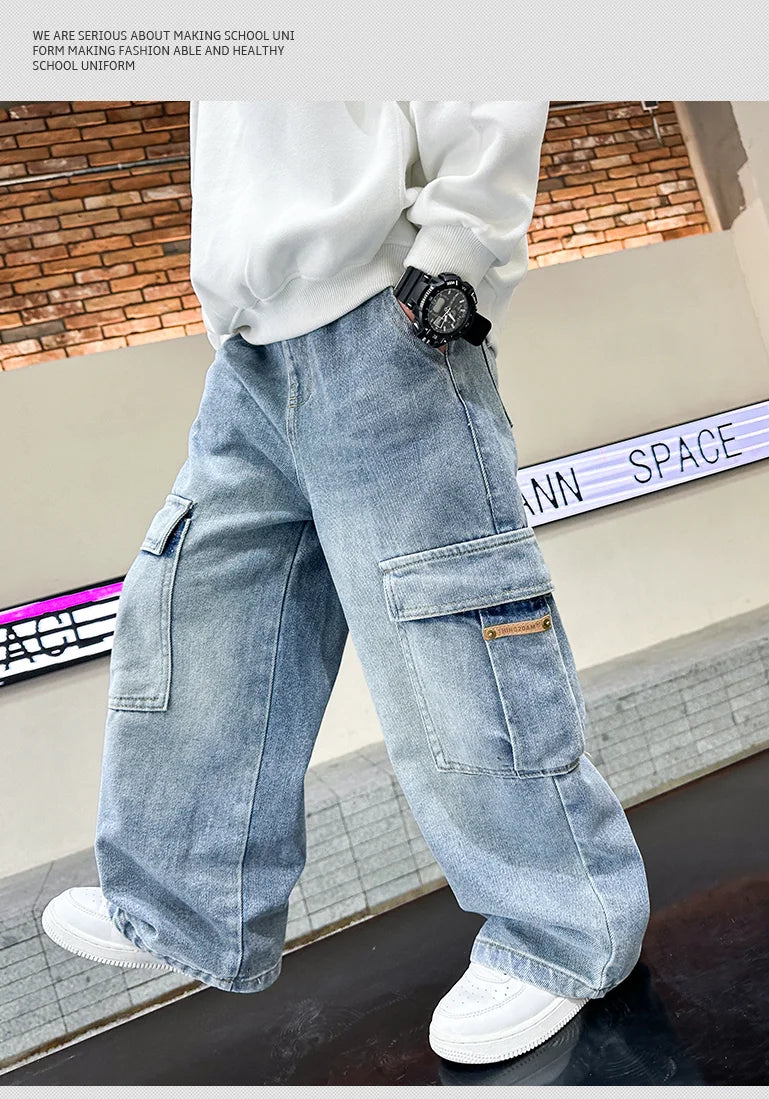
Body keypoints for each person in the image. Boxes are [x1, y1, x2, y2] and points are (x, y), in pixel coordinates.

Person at [42, 101, 651, 1066]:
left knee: (444, 626)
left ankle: (563, 930)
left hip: (381, 316)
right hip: (250, 351)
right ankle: (183, 897)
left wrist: (455, 252)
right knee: (198, 600)